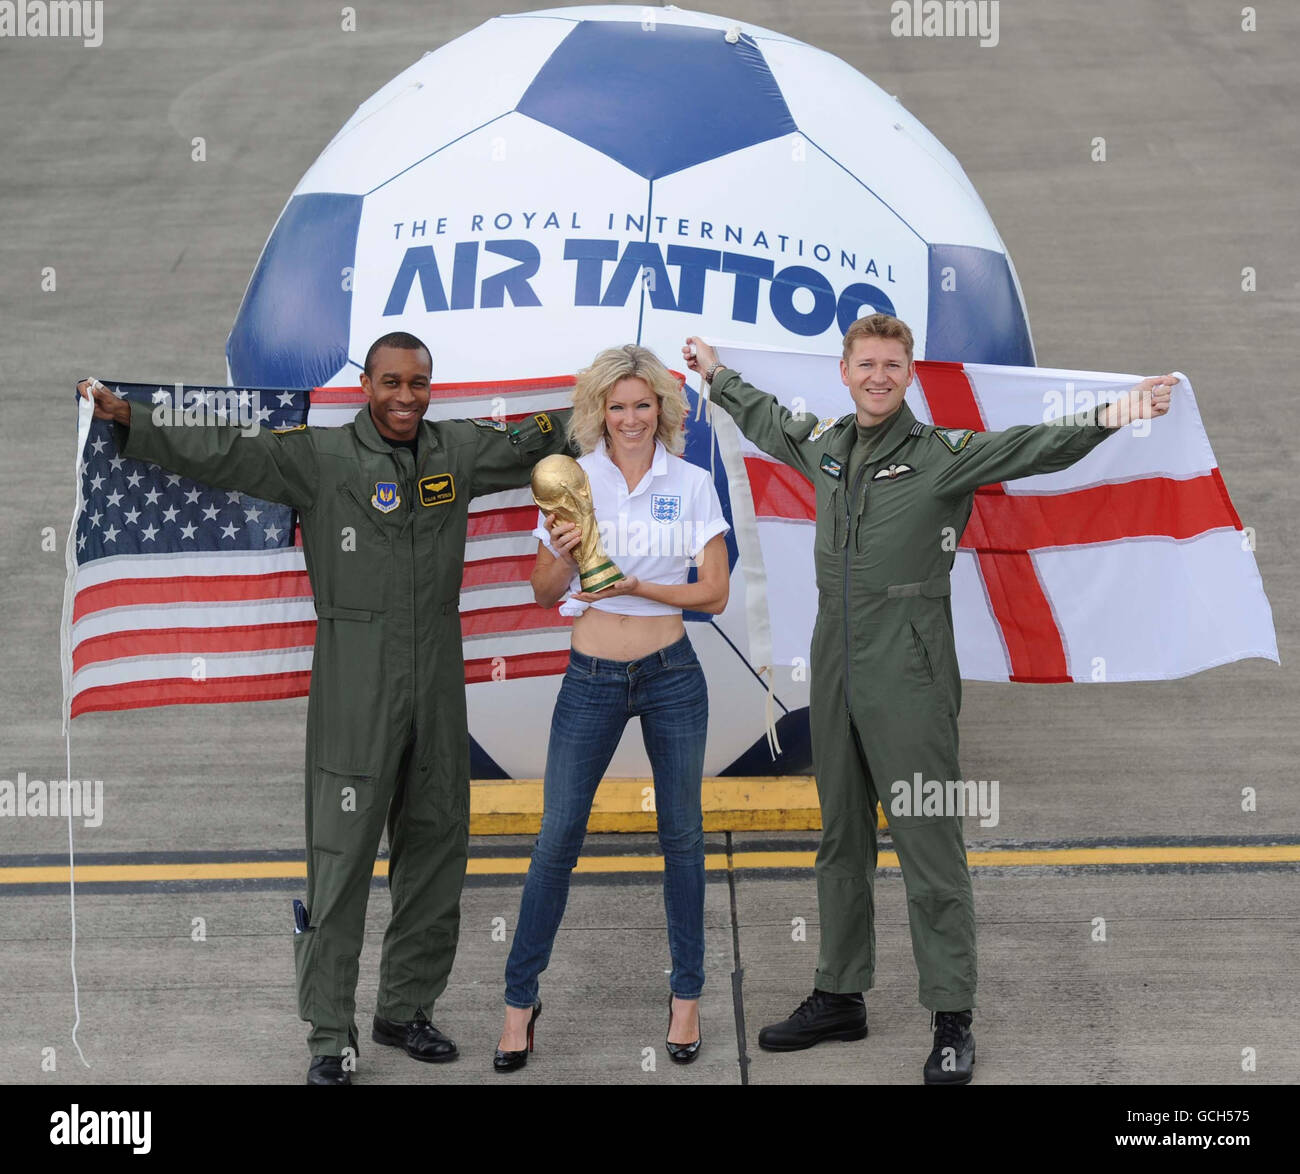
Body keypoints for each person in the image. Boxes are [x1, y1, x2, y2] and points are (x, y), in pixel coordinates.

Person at [683, 316, 1175, 1084]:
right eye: (865, 364)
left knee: (929, 848)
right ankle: (840, 993)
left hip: (908, 676)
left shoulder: (942, 458)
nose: (878, 376)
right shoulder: (827, 447)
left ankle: (952, 1017)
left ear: (909, 375)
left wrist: (1117, 412)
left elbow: (1034, 445)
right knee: (841, 839)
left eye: (892, 365)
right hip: (836, 667)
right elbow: (770, 421)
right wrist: (717, 375)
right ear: (844, 372)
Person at [79, 331, 575, 1085]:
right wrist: (134, 420)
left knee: (438, 845)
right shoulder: (319, 458)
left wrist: (616, 399)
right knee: (341, 861)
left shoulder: (457, 452)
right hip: (355, 677)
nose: (405, 397)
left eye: (418, 382)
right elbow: (224, 450)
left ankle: (405, 1008)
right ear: (367, 385)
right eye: (391, 382)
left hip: (439, 675)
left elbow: (532, 442)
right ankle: (328, 1036)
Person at [493, 344, 731, 1071]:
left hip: (671, 673)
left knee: (683, 838)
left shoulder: (691, 482)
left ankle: (685, 997)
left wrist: (638, 585)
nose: (630, 418)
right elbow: (541, 591)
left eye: (643, 403)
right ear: (598, 412)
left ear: (663, 407)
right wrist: (566, 553)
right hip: (592, 673)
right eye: (617, 406)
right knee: (557, 839)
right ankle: (519, 1002)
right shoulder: (574, 480)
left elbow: (714, 594)